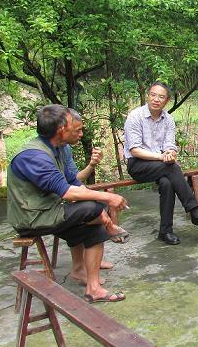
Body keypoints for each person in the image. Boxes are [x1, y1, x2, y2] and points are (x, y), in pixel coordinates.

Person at [7, 105, 129, 303]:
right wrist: (107, 198)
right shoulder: (34, 156)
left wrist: (100, 203)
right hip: (32, 218)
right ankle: (107, 229)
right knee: (94, 208)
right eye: (76, 128)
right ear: (61, 129)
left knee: (94, 222)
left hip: (50, 210)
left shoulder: (58, 149)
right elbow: (66, 191)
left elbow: (73, 182)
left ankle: (93, 288)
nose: (80, 133)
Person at [123, 82, 198, 245]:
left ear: (167, 100)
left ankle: (165, 232)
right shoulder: (135, 116)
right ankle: (194, 210)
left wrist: (170, 153)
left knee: (167, 183)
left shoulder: (168, 119)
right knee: (172, 168)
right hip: (138, 164)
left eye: (161, 97)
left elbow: (170, 145)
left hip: (161, 165)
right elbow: (134, 150)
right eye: (153, 95)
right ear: (148, 96)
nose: (156, 99)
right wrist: (162, 158)